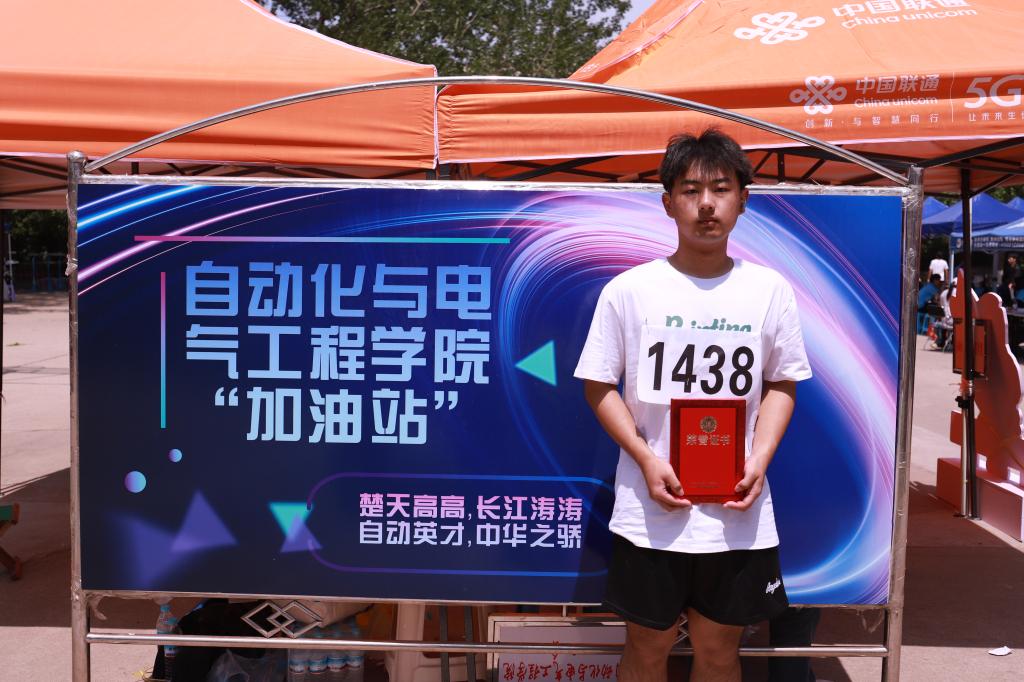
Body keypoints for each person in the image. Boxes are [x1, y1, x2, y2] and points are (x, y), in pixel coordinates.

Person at [574, 129, 812, 682]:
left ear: (742, 200)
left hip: (736, 515)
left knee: (719, 651)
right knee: (646, 648)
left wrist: (759, 459)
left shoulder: (770, 290)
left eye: (721, 189)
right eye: (691, 190)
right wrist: (645, 457)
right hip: (649, 514)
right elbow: (598, 385)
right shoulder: (630, 290)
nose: (707, 204)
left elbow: (782, 383)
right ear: (668, 203)